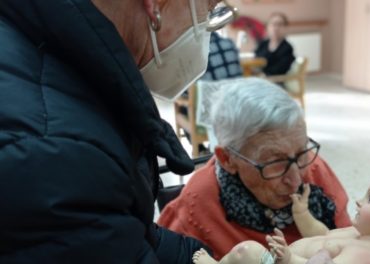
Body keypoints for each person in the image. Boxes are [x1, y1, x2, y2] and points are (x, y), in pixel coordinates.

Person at [0, 0, 237, 263]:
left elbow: (124, 236)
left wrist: (203, 258)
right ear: (155, 4)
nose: (207, 26)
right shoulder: (62, 152)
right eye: (208, 7)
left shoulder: (53, 56)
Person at [158, 78, 370, 264]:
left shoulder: (315, 170)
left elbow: (358, 238)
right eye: (274, 162)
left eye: (301, 153)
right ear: (227, 159)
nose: (297, 179)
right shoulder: (195, 207)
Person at [192, 168, 370, 264]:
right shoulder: (360, 233)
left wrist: (289, 259)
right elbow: (324, 234)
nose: (359, 200)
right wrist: (302, 214)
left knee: (247, 252)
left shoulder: (366, 256)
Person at [179, 31, 243, 154]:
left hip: (209, 114)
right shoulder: (229, 43)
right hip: (235, 107)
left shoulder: (193, 50)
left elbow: (188, 88)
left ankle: (200, 149)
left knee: (182, 107)